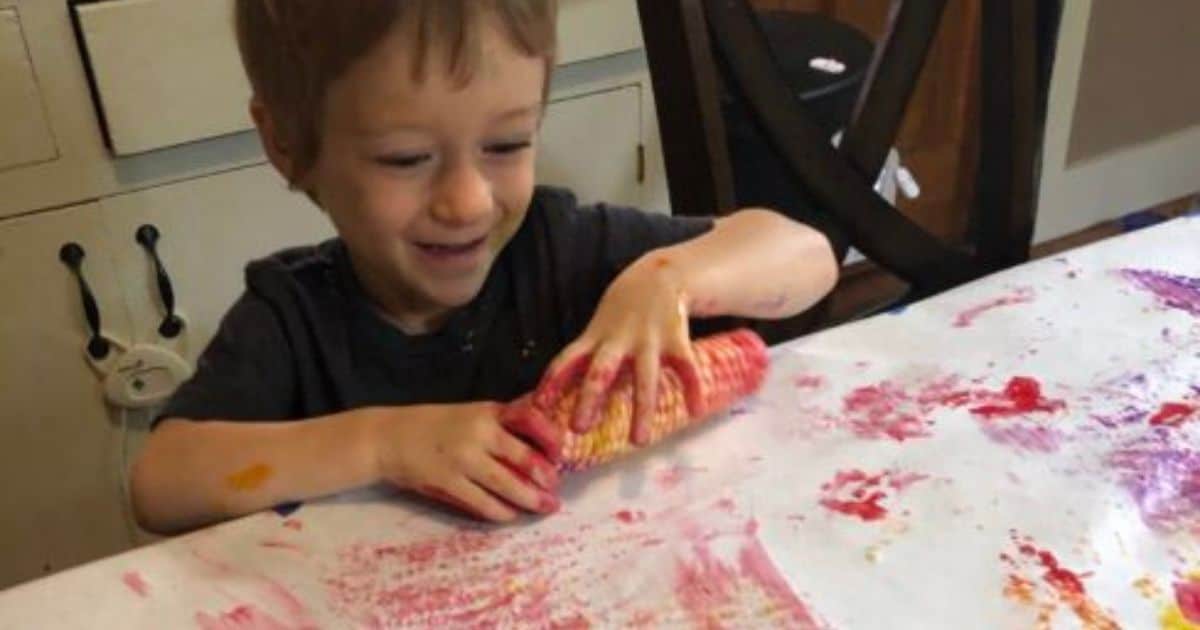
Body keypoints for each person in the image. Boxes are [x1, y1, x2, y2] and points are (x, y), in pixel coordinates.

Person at [130, 0, 838, 534]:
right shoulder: (292, 319)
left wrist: (669, 278)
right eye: (406, 159)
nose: (468, 203)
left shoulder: (561, 249)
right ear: (287, 145)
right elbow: (161, 484)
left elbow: (805, 255)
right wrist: (383, 443)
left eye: (507, 144)